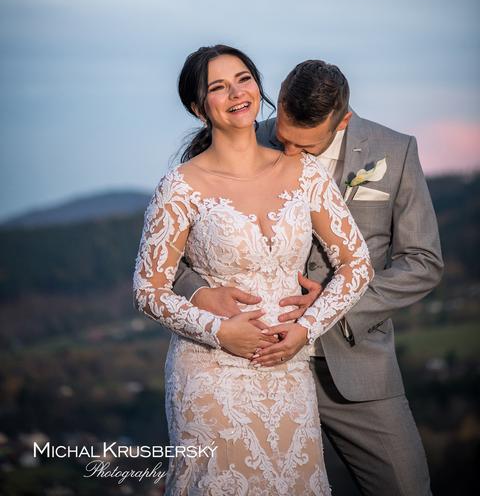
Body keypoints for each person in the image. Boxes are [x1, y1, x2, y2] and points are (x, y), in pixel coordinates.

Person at [173, 58, 443, 496]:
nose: (291, 153)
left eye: (305, 145)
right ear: (279, 99)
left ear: (342, 121)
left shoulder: (396, 151)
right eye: (284, 140)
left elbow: (422, 260)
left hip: (357, 366)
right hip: (251, 368)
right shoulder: (240, 138)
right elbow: (172, 256)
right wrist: (201, 292)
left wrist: (332, 308)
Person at [133, 45, 373, 495]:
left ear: (259, 87)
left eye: (243, 79)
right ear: (198, 107)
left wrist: (307, 328)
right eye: (218, 87)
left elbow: (356, 264)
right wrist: (219, 331)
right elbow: (148, 290)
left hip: (289, 370)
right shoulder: (180, 187)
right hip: (211, 374)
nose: (236, 93)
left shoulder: (305, 173)